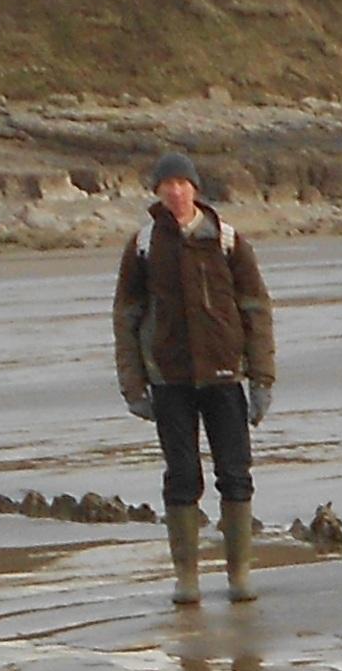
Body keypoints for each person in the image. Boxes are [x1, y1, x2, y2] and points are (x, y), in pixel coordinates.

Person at [111, 152, 276, 603]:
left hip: (224, 375)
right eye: (167, 185)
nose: (175, 191)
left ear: (196, 189)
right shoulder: (143, 245)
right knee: (182, 478)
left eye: (182, 184)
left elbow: (256, 310)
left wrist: (261, 379)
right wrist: (133, 385)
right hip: (170, 380)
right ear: (157, 192)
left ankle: (239, 575)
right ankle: (187, 579)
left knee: (236, 475)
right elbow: (126, 317)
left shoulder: (227, 240)